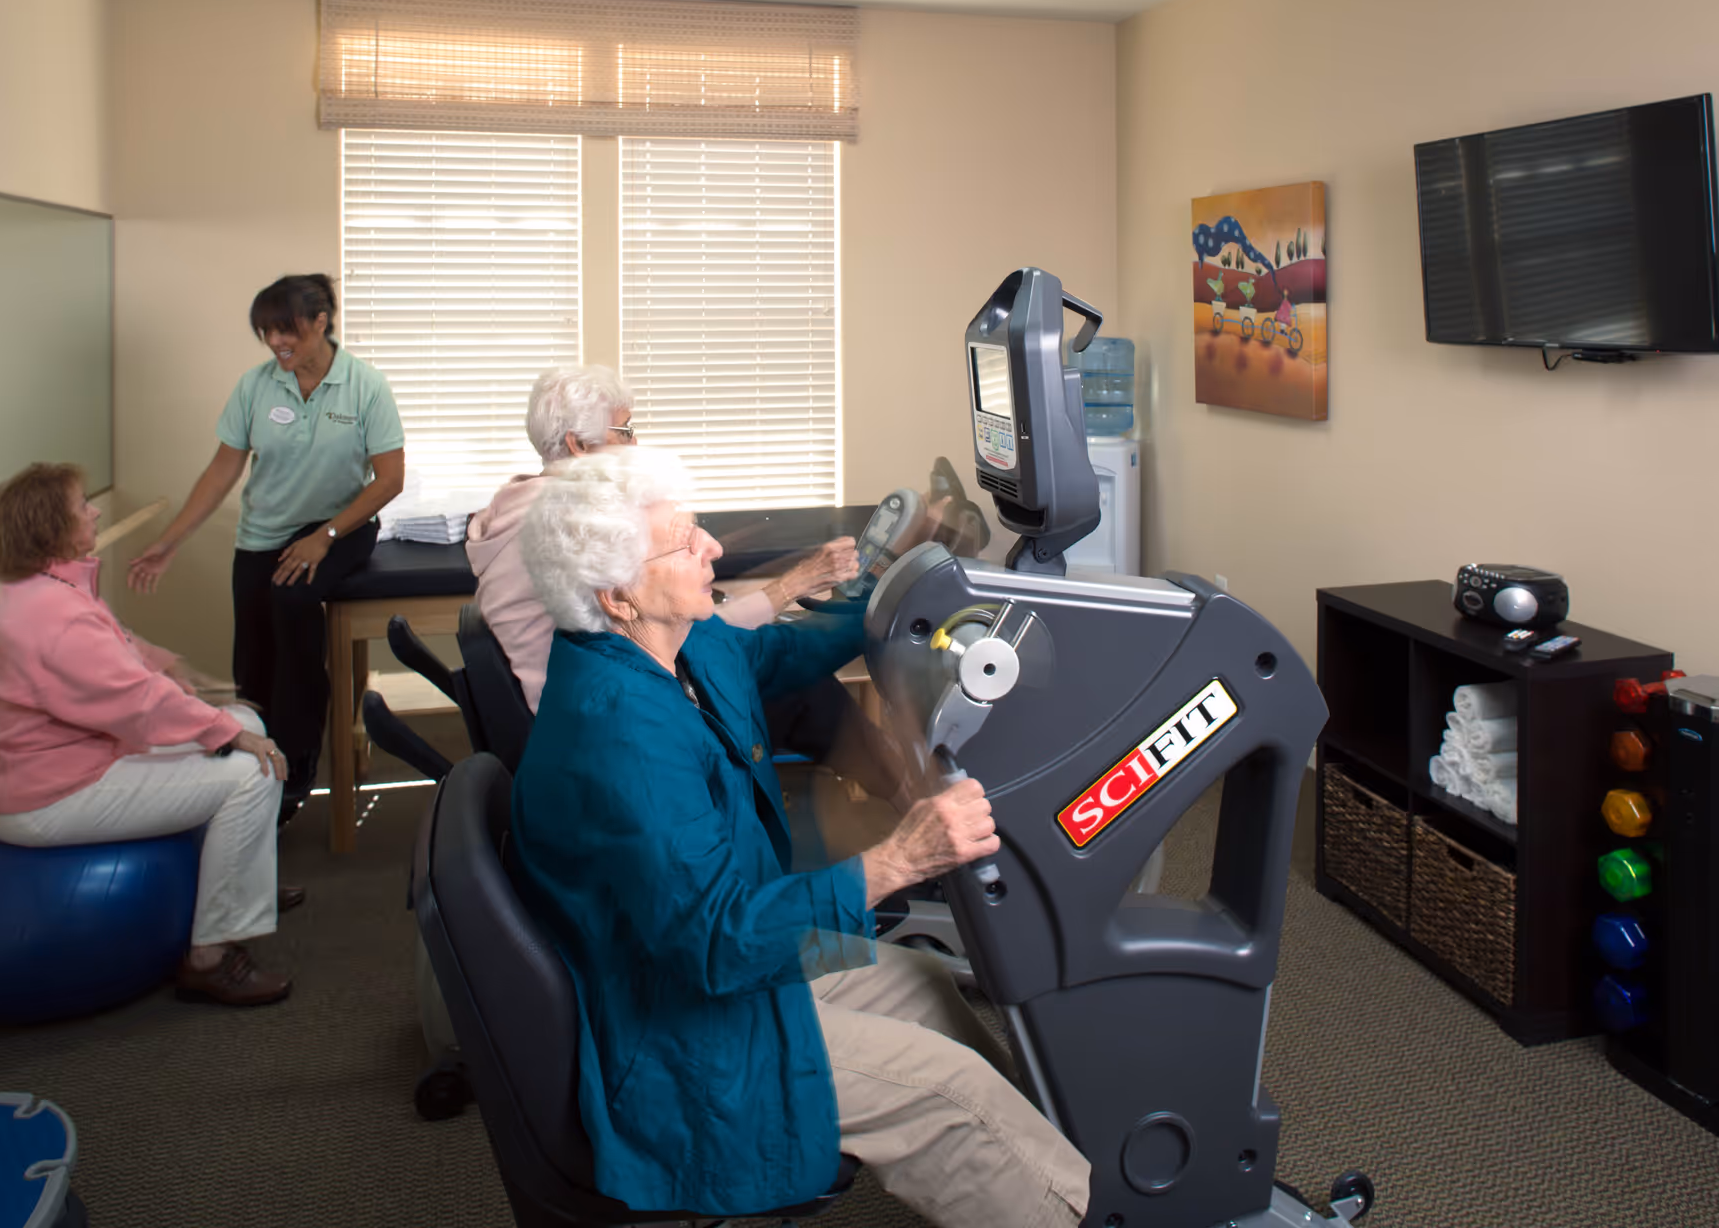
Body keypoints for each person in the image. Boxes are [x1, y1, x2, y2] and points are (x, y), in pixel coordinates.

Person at [508, 448, 1090, 1228]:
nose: (711, 548)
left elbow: (792, 650)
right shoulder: (619, 732)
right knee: (952, 1092)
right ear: (618, 597)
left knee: (922, 982)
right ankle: (1082, 1212)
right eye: (684, 543)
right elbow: (713, 943)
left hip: (723, 952)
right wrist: (896, 861)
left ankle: (1039, 1167)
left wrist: (918, 577)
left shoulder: (681, 645)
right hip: (685, 1019)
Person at [0, 463, 298, 1005]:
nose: (94, 511)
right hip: (50, 794)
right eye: (82, 507)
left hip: (76, 760)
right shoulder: (52, 613)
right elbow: (135, 702)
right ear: (51, 527)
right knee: (252, 771)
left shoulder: (48, 585)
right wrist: (218, 728)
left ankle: (241, 886)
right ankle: (210, 958)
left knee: (248, 724)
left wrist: (180, 675)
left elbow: (118, 643)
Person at [128, 275, 405, 812]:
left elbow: (388, 480)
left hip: (339, 526)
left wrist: (324, 537)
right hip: (265, 533)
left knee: (294, 601)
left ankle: (299, 761)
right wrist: (169, 541)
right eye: (267, 333)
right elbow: (221, 471)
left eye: (288, 331)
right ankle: (251, 760)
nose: (277, 343)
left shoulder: (365, 385)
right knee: (252, 655)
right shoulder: (256, 387)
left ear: (321, 322)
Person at [466, 364, 859, 712]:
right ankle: (906, 791)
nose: (634, 444)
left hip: (562, 704)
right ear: (579, 446)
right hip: (601, 711)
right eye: (625, 431)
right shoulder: (581, 523)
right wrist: (794, 584)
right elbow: (700, 638)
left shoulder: (518, 504)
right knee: (806, 688)